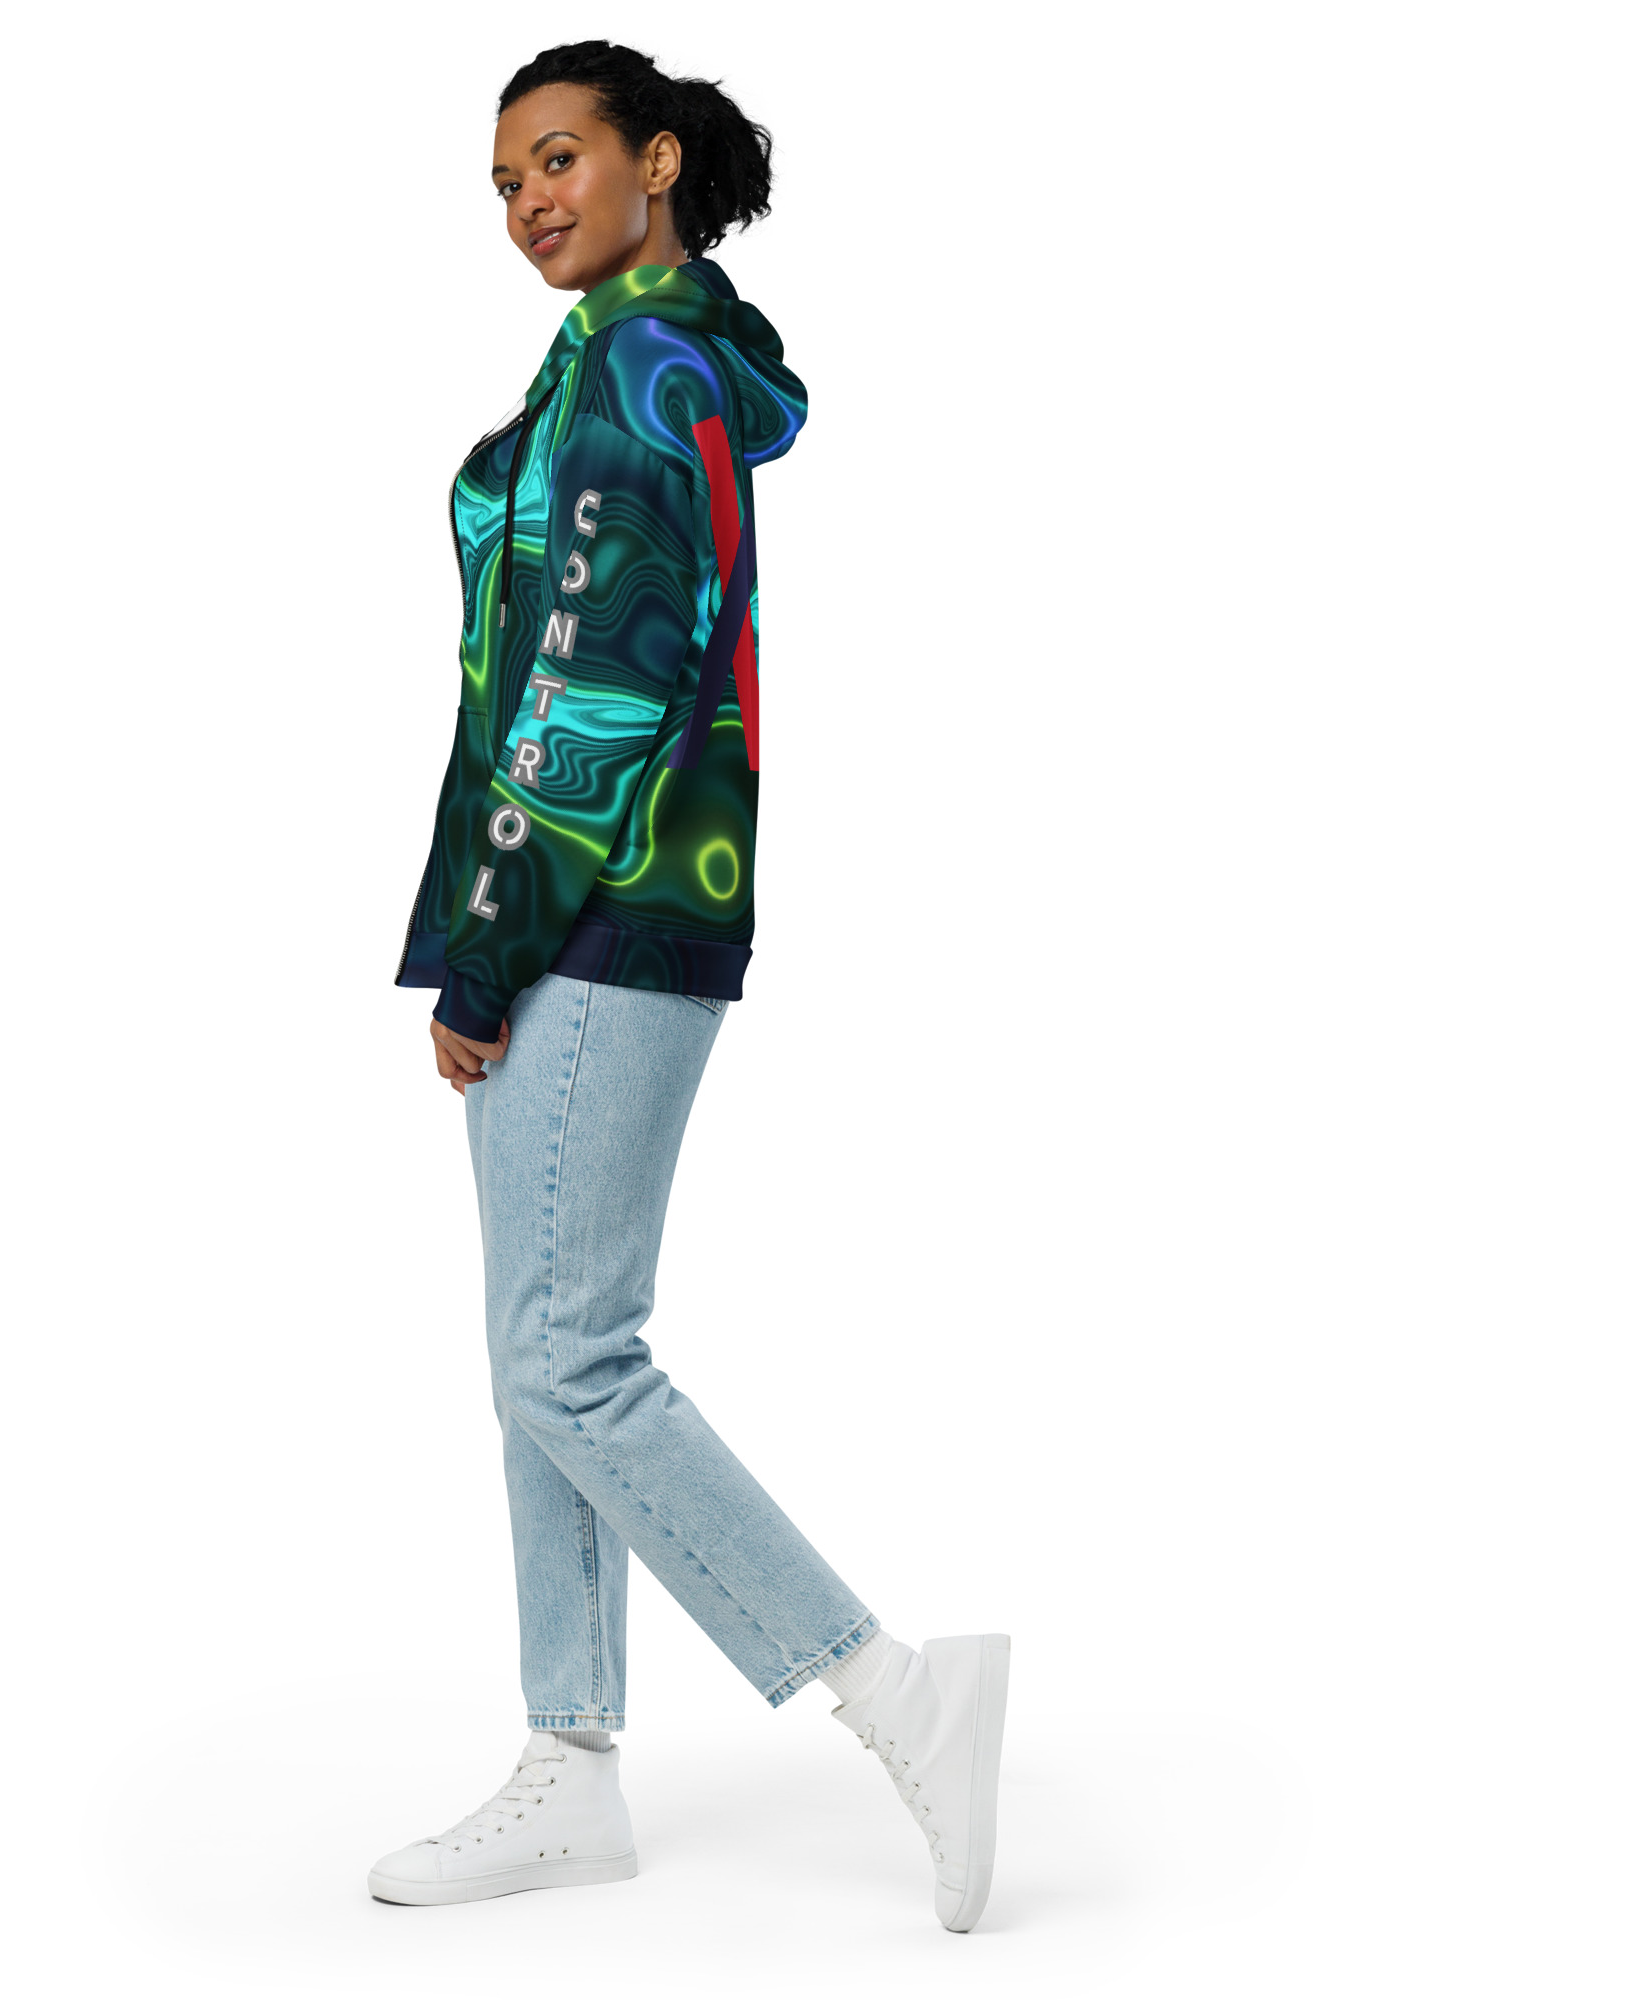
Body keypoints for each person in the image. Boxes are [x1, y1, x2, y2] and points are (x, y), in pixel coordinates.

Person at [381, 40, 1011, 1933]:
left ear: (656, 160)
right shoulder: (622, 359)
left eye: (559, 159)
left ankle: (895, 1691)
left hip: (606, 899)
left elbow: (600, 683)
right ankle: (569, 1763)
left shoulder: (644, 365)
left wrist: (488, 947)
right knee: (539, 1356)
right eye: (505, 182)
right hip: (577, 895)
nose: (529, 202)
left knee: (570, 1355)